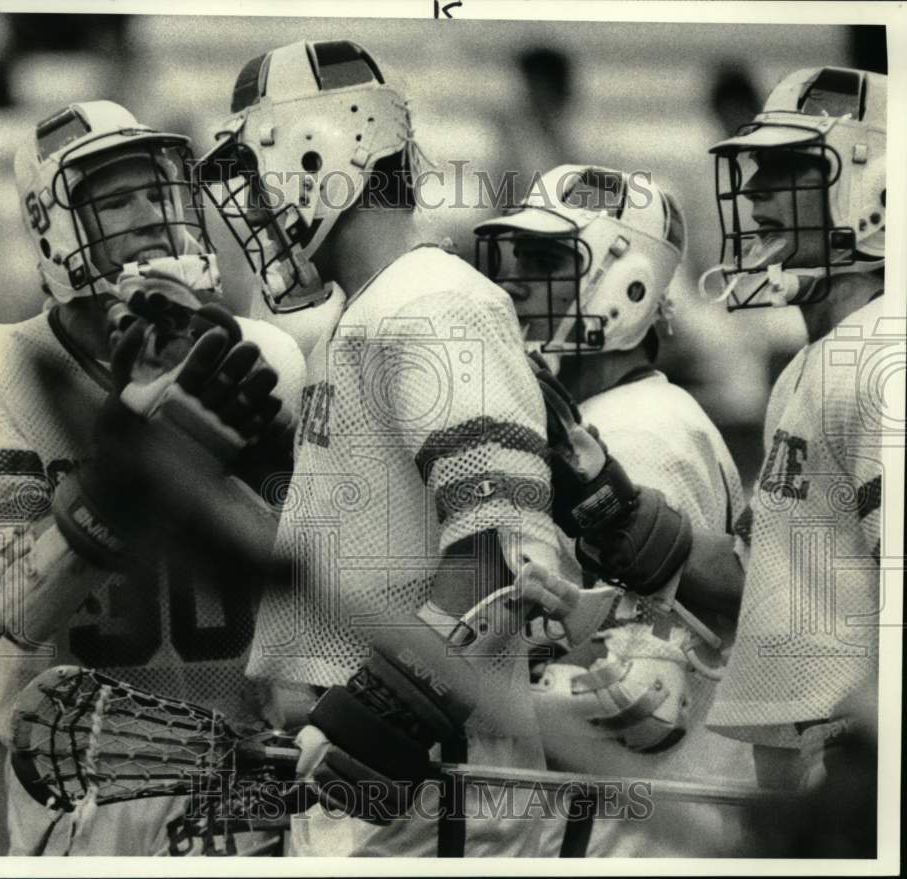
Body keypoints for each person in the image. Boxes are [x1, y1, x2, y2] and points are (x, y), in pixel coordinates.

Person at [194, 39, 576, 857]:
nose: (251, 209)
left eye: (256, 173)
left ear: (320, 155)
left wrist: (377, 717)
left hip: (426, 794)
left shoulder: (433, 304)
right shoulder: (363, 313)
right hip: (374, 789)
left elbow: (503, 556)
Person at [0, 100, 306, 856]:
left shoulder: (270, 358)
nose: (147, 214)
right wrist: (122, 475)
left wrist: (248, 467)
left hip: (250, 772)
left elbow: (308, 587)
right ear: (51, 227)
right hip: (89, 785)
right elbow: (11, 603)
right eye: (114, 198)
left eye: (158, 190)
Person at [473, 164, 757, 856]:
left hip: (640, 828)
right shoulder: (622, 414)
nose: (513, 281)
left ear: (626, 284)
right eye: (517, 258)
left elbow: (646, 691)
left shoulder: (636, 432)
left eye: (544, 260)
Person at [696, 68, 887, 843]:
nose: (757, 195)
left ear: (876, 188)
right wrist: (612, 506)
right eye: (758, 172)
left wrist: (871, 766)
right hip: (808, 772)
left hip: (853, 778)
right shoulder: (815, 361)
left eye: (791, 172)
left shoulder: (882, 352)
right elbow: (760, 576)